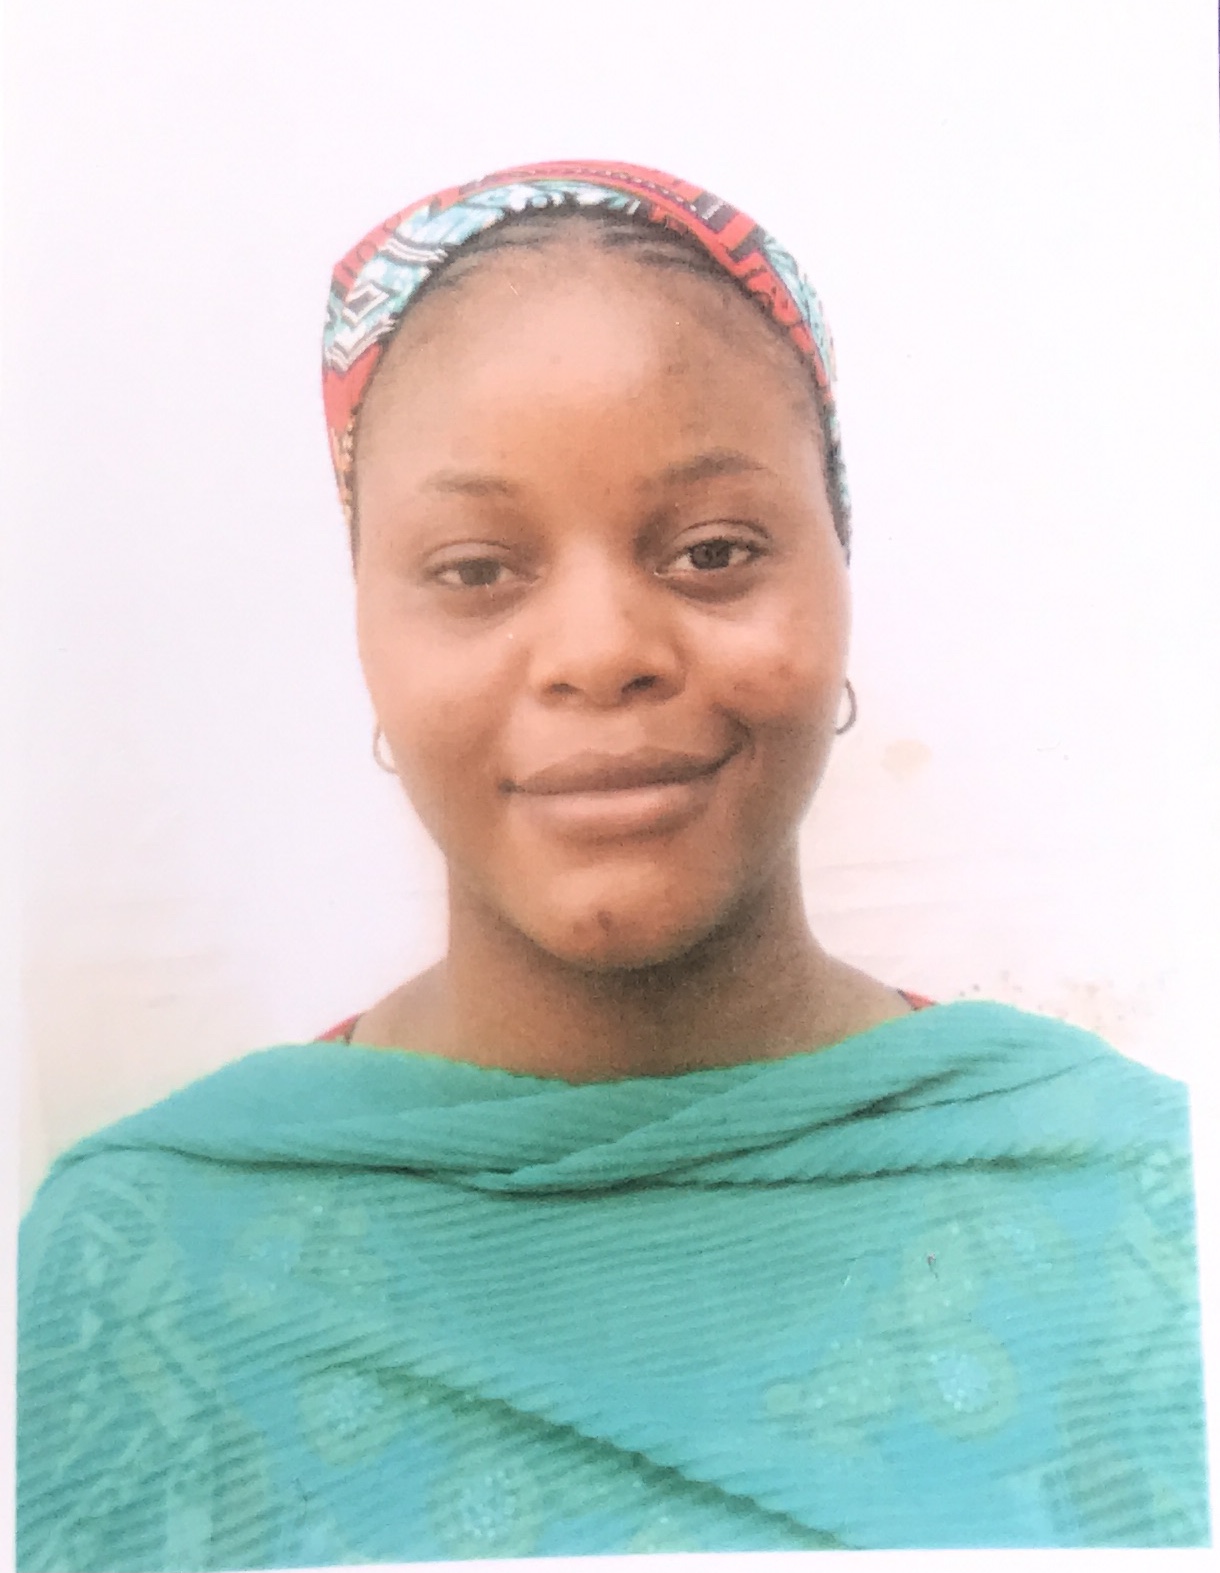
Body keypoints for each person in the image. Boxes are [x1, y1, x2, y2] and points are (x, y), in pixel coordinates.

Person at [17, 160, 1209, 1568]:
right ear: (366, 625)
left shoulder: (1141, 1202)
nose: (599, 652)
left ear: (840, 573)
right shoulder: (141, 1262)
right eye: (475, 569)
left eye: (712, 550)